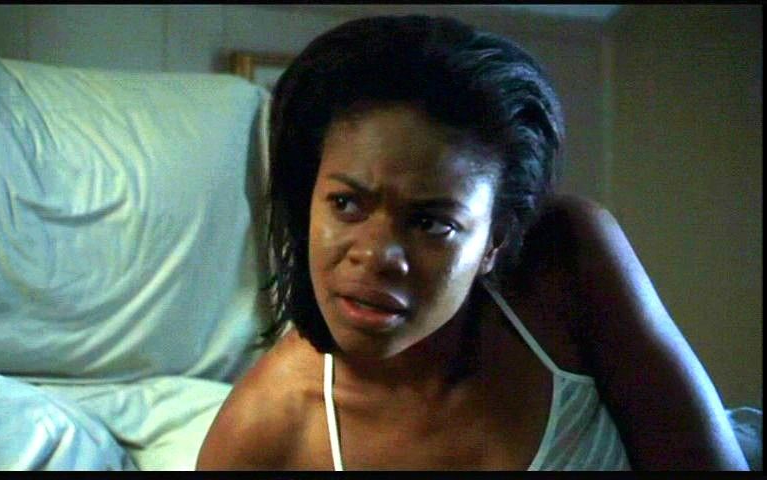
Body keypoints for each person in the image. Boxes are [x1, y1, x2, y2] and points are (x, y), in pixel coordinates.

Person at [196, 15, 749, 470]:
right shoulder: (263, 434)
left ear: (495, 242)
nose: (376, 255)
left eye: (431, 223)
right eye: (345, 204)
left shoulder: (563, 262)